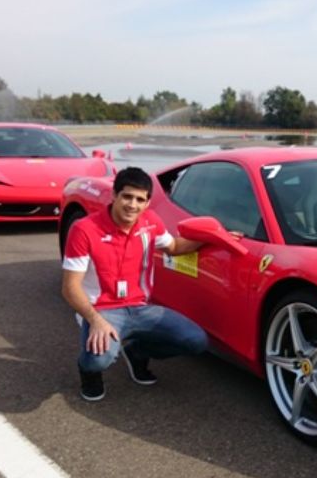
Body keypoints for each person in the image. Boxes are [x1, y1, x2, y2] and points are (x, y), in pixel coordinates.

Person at [61, 166, 208, 401]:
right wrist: (95, 320)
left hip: (141, 307)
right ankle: (89, 372)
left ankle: (136, 352)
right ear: (114, 196)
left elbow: (174, 247)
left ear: (148, 202)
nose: (133, 205)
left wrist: (215, 236)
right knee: (99, 358)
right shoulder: (84, 229)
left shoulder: (150, 222)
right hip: (102, 310)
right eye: (127, 196)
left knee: (196, 341)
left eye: (140, 199)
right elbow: (70, 288)